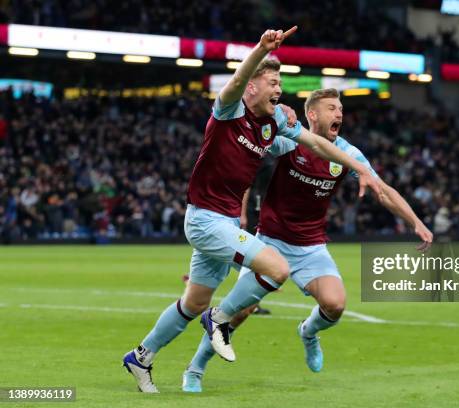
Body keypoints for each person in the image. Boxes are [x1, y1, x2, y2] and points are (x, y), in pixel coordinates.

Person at [122, 28, 382, 393]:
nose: (279, 89)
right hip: (203, 218)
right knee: (277, 267)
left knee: (192, 302)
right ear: (252, 88)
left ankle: (141, 356)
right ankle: (220, 319)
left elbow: (318, 145)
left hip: (225, 220)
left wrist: (361, 170)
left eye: (280, 84)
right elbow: (237, 79)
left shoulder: (273, 123)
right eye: (272, 82)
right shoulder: (229, 110)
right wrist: (261, 49)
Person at [182, 88, 433, 392]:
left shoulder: (347, 154)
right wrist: (242, 208)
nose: (338, 113)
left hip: (311, 247)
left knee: (335, 304)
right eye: (331, 108)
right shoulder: (288, 141)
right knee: (239, 312)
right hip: (270, 242)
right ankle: (195, 369)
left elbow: (382, 190)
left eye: (340, 108)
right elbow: (245, 162)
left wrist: (415, 221)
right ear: (312, 115)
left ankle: (308, 332)